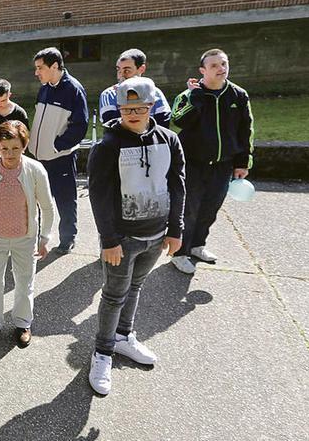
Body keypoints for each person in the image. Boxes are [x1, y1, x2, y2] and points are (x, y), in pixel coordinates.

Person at [86, 76, 186, 395]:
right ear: (118, 108)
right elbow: (99, 196)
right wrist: (109, 240)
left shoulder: (169, 141)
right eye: (127, 107)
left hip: (156, 236)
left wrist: (176, 229)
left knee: (137, 287)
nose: (133, 113)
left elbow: (178, 186)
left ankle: (123, 337)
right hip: (123, 240)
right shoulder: (107, 146)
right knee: (114, 294)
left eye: (140, 107)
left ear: (151, 107)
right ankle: (102, 352)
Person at [0, 120, 56, 349]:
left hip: (25, 238)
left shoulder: (35, 170)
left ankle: (22, 323)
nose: (10, 154)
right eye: (4, 148)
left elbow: (47, 207)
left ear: (24, 146)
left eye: (15, 148)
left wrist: (45, 238)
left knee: (25, 282)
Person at [169, 49, 254, 275]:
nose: (221, 68)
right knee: (189, 209)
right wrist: (195, 98)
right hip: (193, 163)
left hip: (223, 164)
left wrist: (242, 162)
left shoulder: (238, 95)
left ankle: (197, 245)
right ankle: (180, 253)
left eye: (224, 63)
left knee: (211, 208)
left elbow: (246, 130)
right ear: (203, 70)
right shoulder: (189, 94)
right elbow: (178, 120)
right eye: (214, 65)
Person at [29, 47, 89, 255]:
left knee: (64, 199)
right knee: (36, 201)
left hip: (59, 157)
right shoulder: (45, 87)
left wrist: (58, 146)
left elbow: (80, 125)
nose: (36, 72)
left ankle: (67, 239)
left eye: (40, 68)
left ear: (55, 66)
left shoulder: (74, 89)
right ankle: (37, 238)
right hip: (38, 157)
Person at [99, 49, 171, 128]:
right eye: (118, 70)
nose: (121, 76)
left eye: (127, 71)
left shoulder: (155, 92)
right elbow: (110, 125)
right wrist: (122, 96)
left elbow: (164, 124)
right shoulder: (109, 94)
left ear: (141, 69)